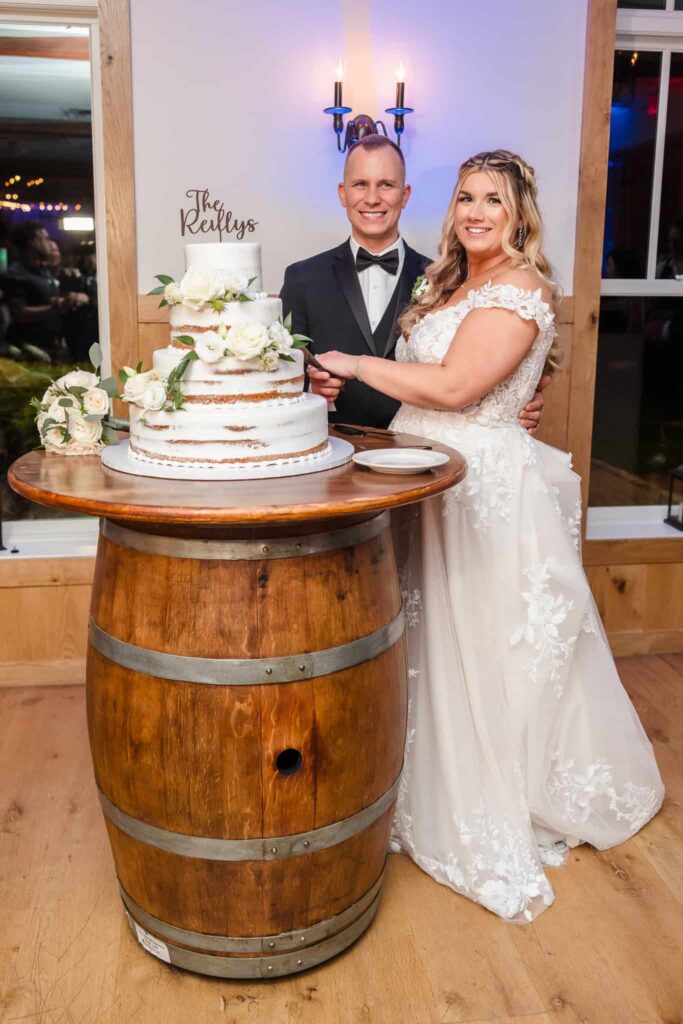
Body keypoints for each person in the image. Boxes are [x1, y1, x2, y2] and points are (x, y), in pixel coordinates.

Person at [313, 150, 664, 923]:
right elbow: (443, 381)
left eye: (493, 202)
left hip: (482, 489)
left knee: (489, 642)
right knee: (431, 635)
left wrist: (356, 363)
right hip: (422, 478)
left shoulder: (522, 287)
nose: (475, 212)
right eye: (466, 198)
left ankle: (498, 790)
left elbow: (458, 387)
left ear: (518, 216)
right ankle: (423, 778)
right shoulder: (451, 282)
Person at [281, 135, 548, 431]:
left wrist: (516, 402)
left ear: (405, 194)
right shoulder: (302, 278)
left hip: (426, 456)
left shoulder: (443, 277)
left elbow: (476, 370)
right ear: (343, 193)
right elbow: (282, 378)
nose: (372, 198)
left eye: (386, 185)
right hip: (332, 445)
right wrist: (314, 393)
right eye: (360, 185)